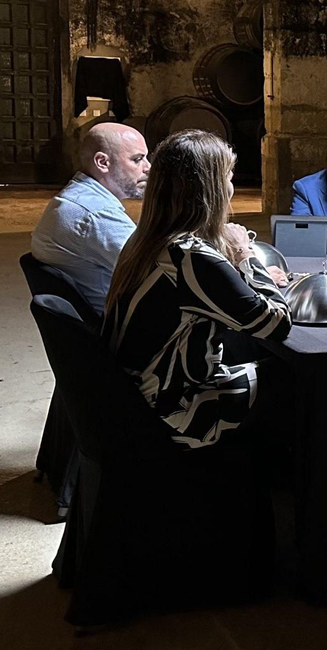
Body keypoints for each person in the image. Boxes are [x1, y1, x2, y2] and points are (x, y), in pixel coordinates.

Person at [104, 130, 292, 448]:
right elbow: (276, 323)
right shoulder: (190, 256)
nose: (231, 187)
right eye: (228, 177)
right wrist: (244, 254)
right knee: (300, 374)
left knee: (248, 350)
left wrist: (235, 274)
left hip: (131, 399)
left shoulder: (146, 239)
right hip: (175, 409)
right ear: (212, 189)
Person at [30, 122, 151, 314]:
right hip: (118, 323)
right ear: (102, 162)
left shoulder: (76, 198)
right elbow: (155, 271)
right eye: (137, 159)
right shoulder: (96, 213)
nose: (148, 167)